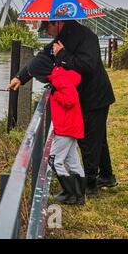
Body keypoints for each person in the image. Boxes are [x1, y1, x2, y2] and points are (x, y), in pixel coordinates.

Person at [7, 20, 116, 196]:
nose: (47, 33)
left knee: (89, 140)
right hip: (87, 95)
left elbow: (87, 65)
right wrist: (21, 77)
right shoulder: (63, 37)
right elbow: (43, 57)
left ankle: (89, 184)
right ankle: (106, 176)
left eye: (47, 28)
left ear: (57, 23)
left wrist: (63, 54)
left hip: (95, 96)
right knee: (98, 138)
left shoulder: (87, 37)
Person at [26, 53, 86, 205]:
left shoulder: (59, 79)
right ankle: (79, 195)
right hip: (71, 124)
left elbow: (70, 99)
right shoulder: (59, 75)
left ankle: (70, 193)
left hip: (66, 126)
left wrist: (55, 93)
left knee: (54, 160)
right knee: (72, 160)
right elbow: (74, 83)